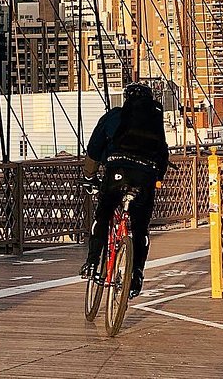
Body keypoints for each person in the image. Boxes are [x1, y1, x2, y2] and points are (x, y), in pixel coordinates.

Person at [79, 82, 169, 298]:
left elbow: (94, 149)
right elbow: (162, 153)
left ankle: (92, 262)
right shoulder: (153, 121)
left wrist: (89, 177)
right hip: (145, 176)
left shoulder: (114, 116)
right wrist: (156, 179)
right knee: (140, 227)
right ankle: (136, 274)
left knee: (104, 214)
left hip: (116, 171)